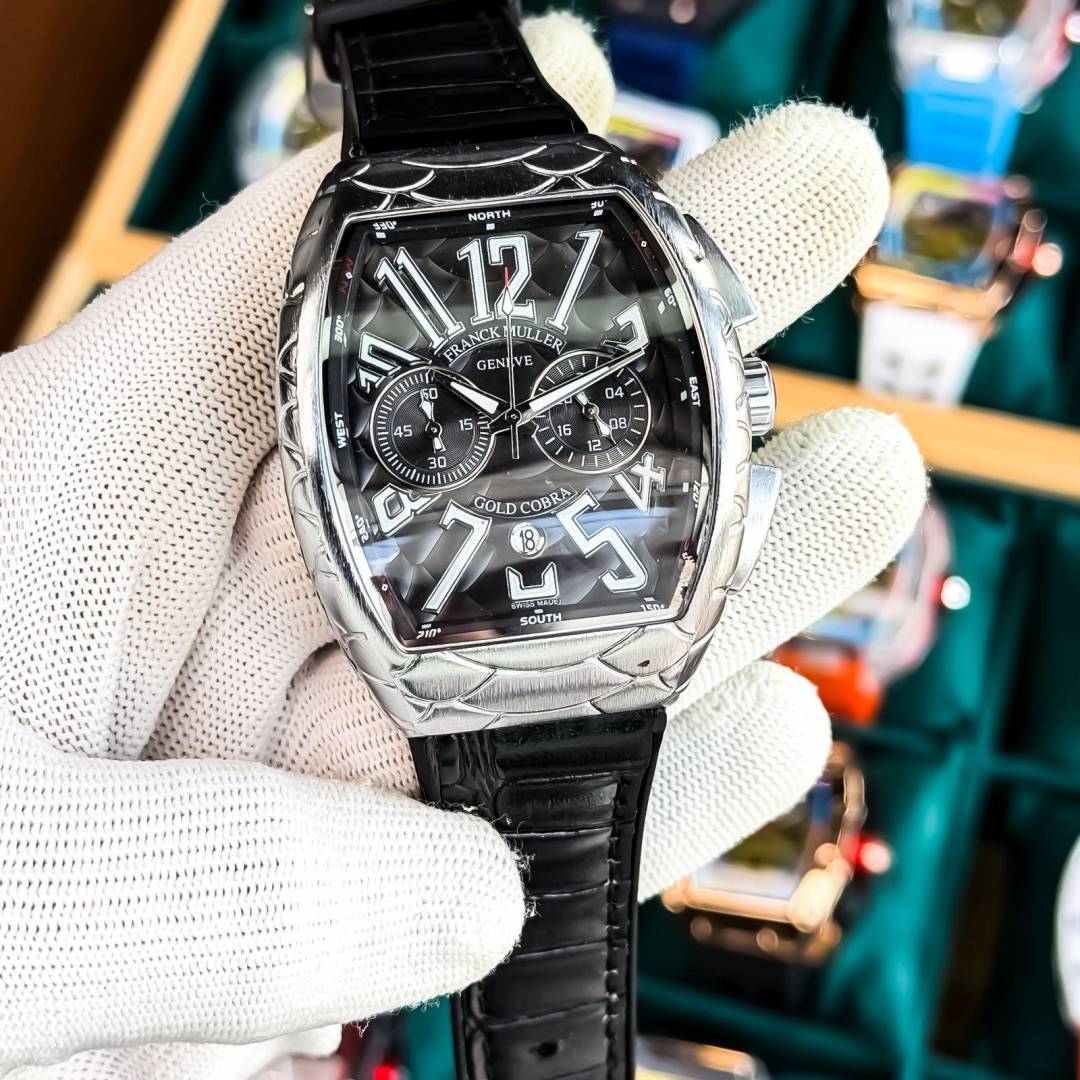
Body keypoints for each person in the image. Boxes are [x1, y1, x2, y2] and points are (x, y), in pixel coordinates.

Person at [0, 12, 925, 1080]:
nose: (514, 429)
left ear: (729, 396)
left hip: (543, 622)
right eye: (472, 417)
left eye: (556, 407)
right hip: (497, 631)